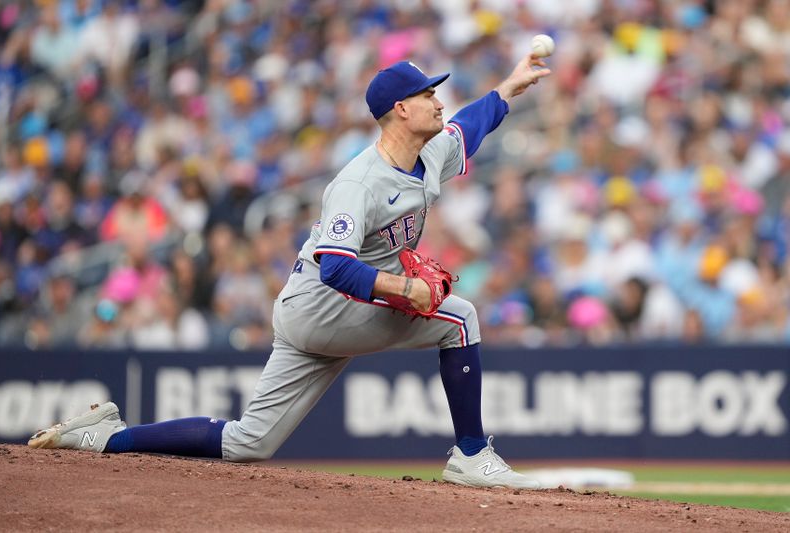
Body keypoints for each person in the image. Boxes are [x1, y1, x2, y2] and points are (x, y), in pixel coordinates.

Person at [28, 56, 551, 489]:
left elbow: (472, 125)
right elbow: (336, 270)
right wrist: (405, 286)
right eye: (429, 94)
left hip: (326, 314)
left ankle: (106, 436)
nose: (439, 101)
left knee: (248, 441)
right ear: (400, 109)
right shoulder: (357, 183)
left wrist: (508, 87)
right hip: (323, 305)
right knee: (457, 317)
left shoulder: (429, 152)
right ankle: (470, 453)